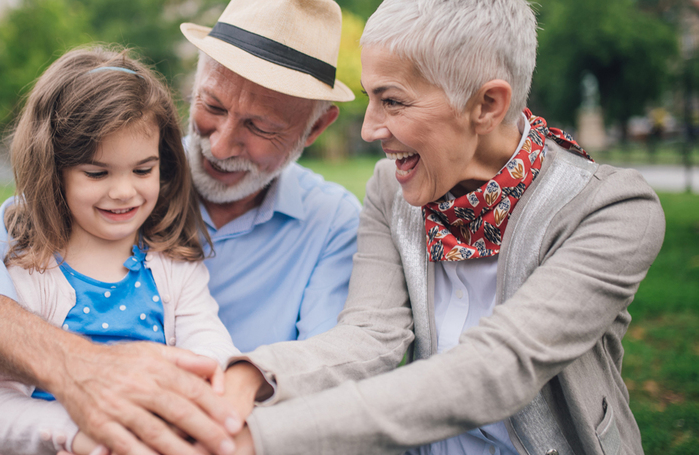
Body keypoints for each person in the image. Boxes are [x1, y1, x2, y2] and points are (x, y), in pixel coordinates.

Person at [0, 0, 358, 453]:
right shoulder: (101, 176)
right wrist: (77, 370)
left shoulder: (332, 223)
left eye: (260, 127)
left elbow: (329, 373)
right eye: (212, 106)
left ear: (314, 129)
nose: (220, 143)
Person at [222, 1, 666, 454]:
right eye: (370, 98)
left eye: (392, 100)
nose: (369, 129)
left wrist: (262, 438)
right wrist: (250, 376)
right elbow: (369, 334)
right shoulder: (390, 191)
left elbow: (500, 366)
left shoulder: (611, 209)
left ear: (487, 105)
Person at [0, 46, 240, 455]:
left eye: (143, 169)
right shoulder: (28, 272)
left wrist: (196, 398)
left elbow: (210, 345)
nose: (124, 191)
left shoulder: (174, 265)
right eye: (97, 172)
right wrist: (73, 432)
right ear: (53, 170)